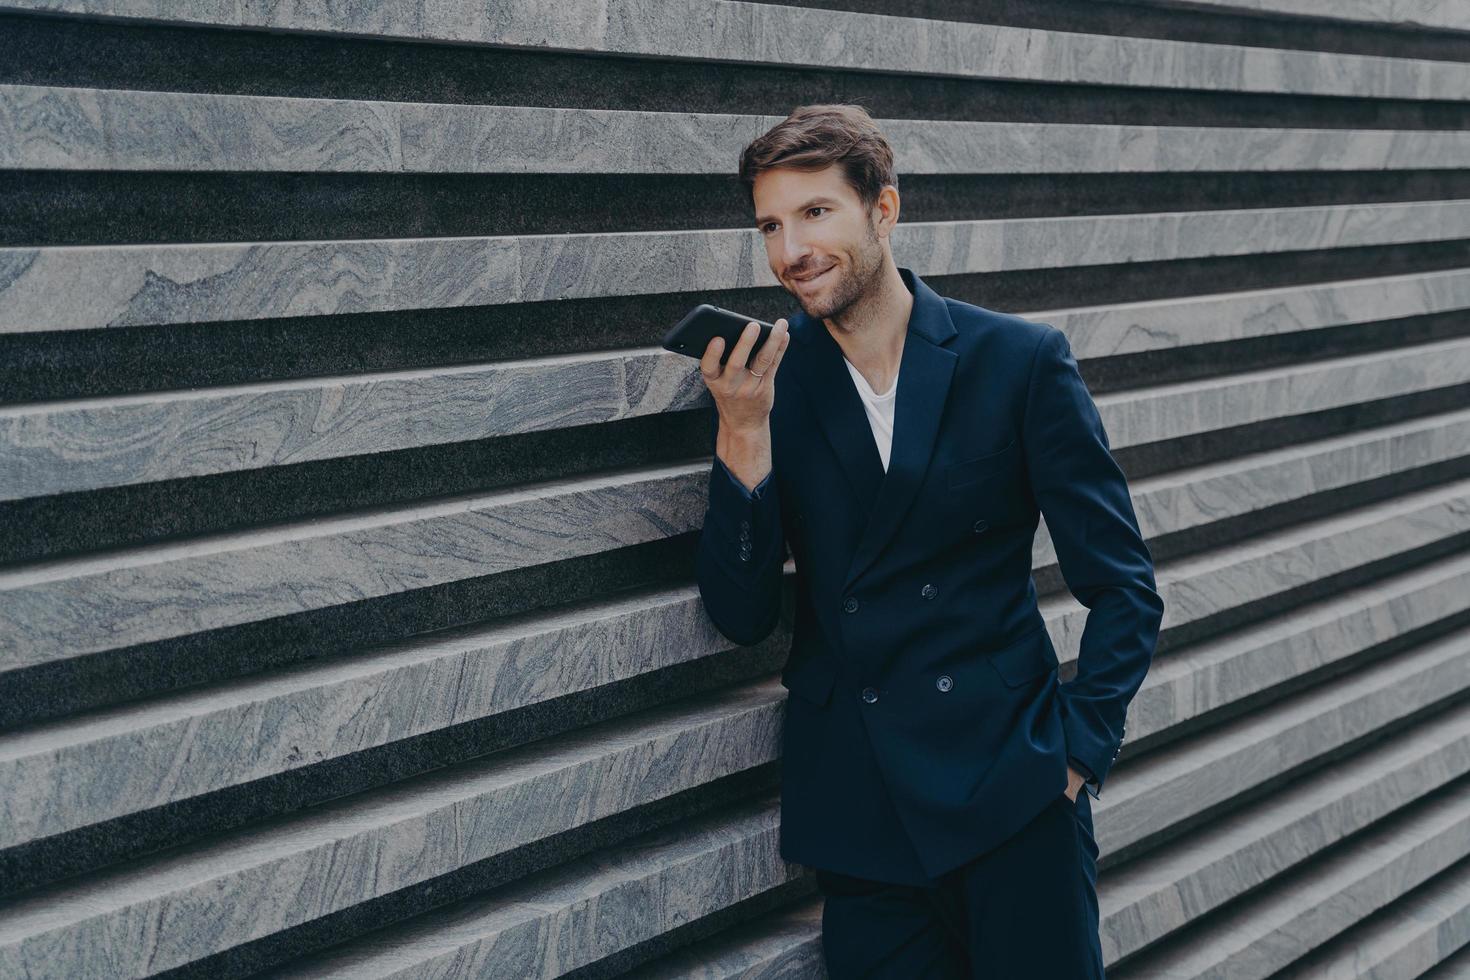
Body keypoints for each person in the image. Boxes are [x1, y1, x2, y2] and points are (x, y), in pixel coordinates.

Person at [694, 104, 1164, 978]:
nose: (791, 249)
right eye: (770, 224)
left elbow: (1125, 586)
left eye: (816, 212)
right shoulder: (767, 383)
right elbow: (740, 614)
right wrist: (743, 434)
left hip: (1015, 795)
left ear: (885, 210)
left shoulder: (1019, 362)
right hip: (866, 815)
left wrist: (1074, 759)